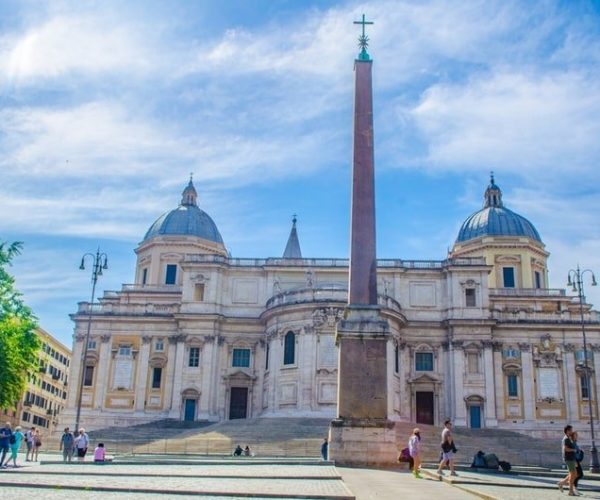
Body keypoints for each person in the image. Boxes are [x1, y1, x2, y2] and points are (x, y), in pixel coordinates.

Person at [558, 424, 577, 496]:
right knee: (573, 474)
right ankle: (570, 491)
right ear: (567, 431)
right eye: (571, 430)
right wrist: (573, 450)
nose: (572, 431)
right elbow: (565, 449)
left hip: (571, 458)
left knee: (573, 474)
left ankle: (561, 483)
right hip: (568, 458)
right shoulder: (566, 439)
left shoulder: (568, 438)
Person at [572, 431, 584, 496]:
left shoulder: (575, 443)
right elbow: (573, 453)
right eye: (575, 435)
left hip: (577, 460)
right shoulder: (573, 443)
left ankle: (575, 489)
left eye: (577, 435)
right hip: (575, 461)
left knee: (579, 474)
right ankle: (574, 488)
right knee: (580, 474)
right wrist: (575, 461)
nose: (577, 436)